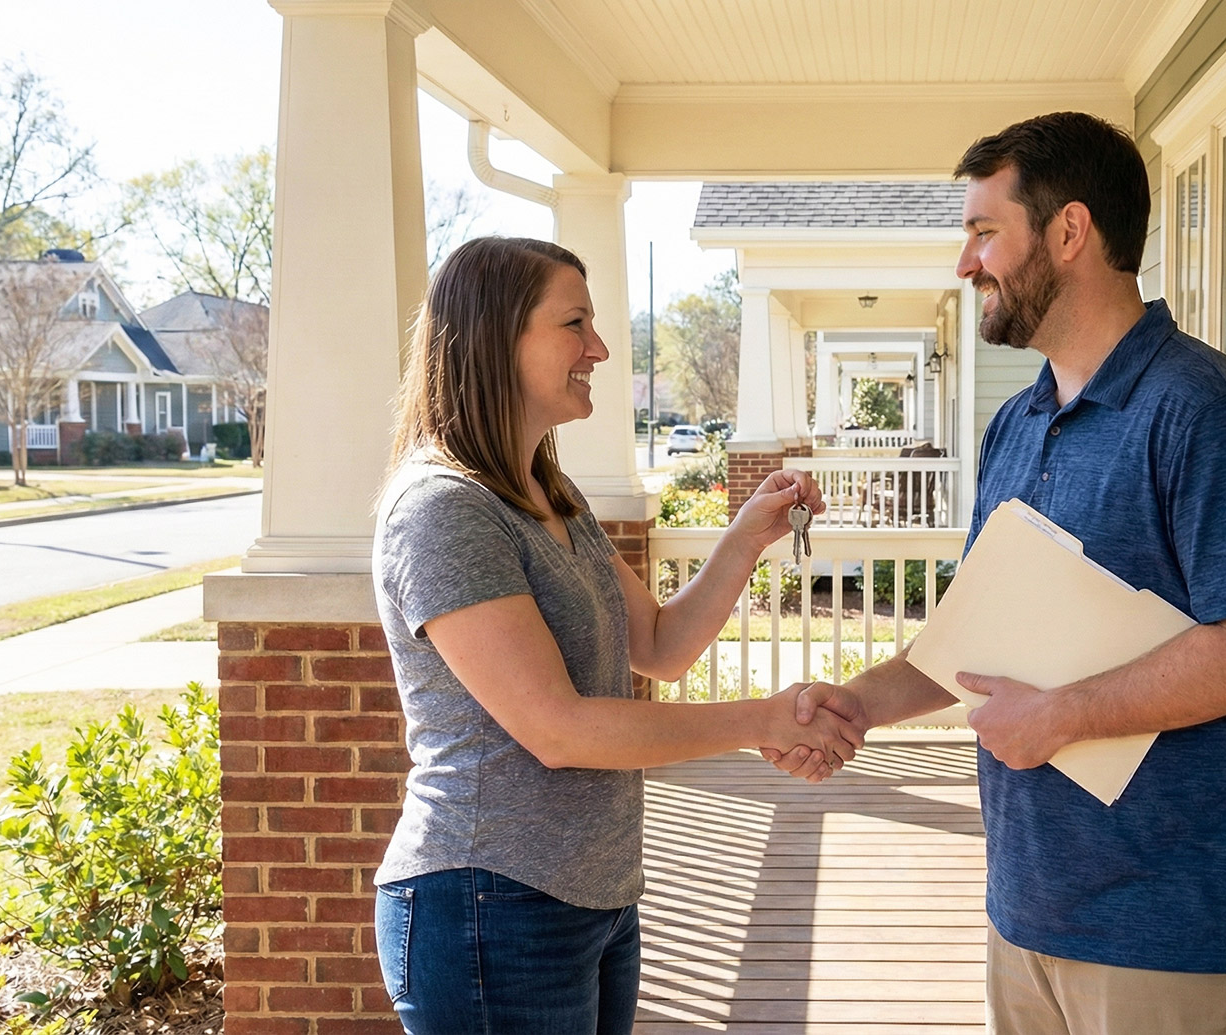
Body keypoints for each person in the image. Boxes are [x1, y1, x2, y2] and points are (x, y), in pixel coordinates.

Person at [768, 112, 1226, 1035]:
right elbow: (978, 641)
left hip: (1176, 927)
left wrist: (1060, 715)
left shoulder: (1209, 413)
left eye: (985, 232)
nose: (965, 262)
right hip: (1028, 906)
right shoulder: (1016, 425)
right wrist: (857, 703)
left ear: (1069, 232)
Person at [370, 236, 864, 1035]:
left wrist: (745, 537)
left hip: (593, 895)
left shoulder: (549, 494)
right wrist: (758, 719)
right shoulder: (444, 510)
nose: (599, 348)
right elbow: (558, 728)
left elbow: (661, 645)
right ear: (498, 337)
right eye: (576, 324)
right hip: (488, 901)